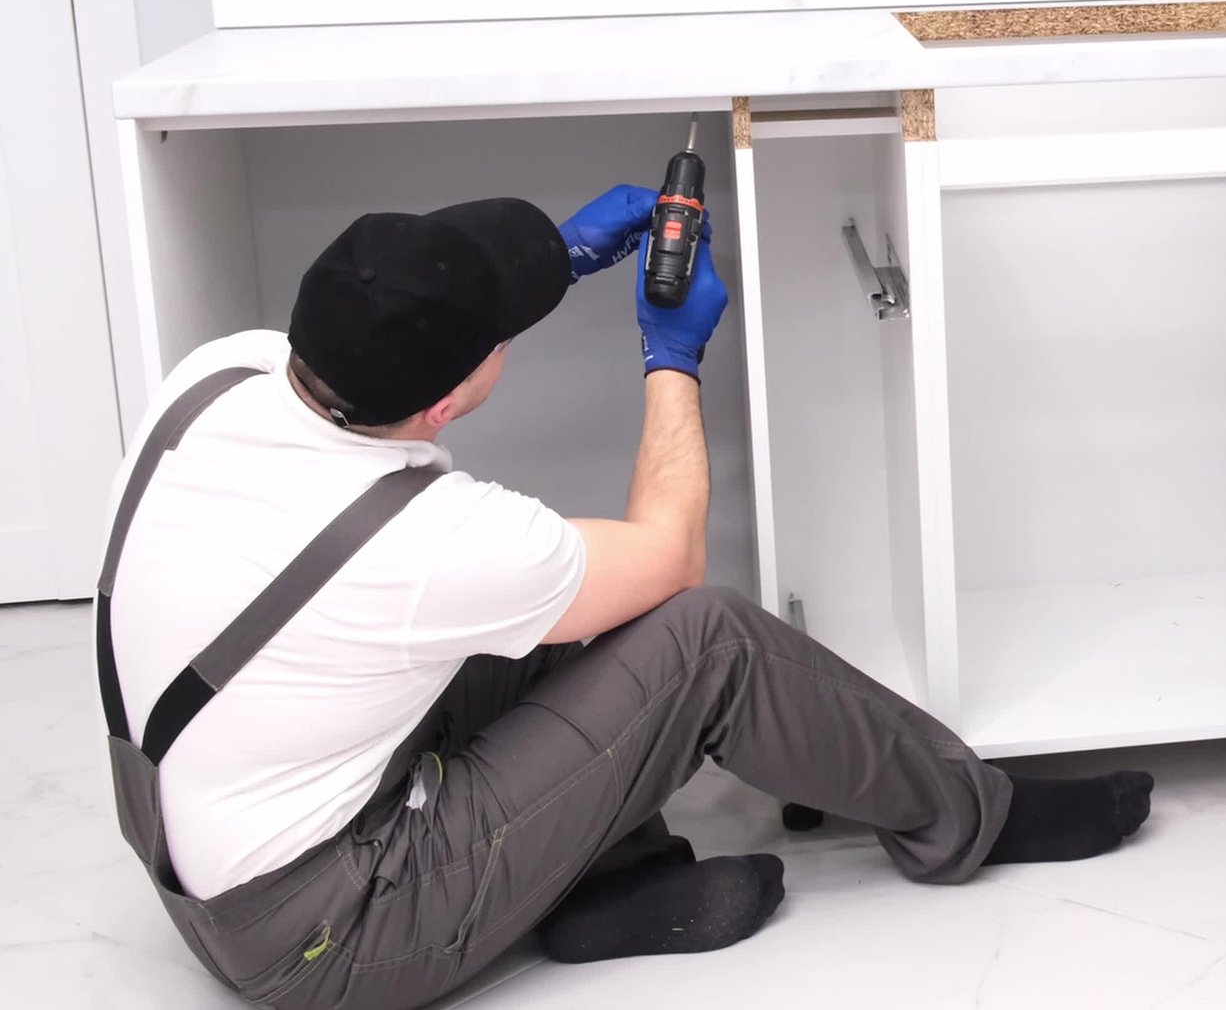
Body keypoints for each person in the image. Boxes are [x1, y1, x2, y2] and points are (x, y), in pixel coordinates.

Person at [95, 188, 1153, 1010]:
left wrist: (549, 262)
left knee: (577, 610)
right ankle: (972, 818)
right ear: (445, 401)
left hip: (196, 863)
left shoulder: (224, 376)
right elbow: (668, 558)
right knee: (703, 640)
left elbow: (410, 352)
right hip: (328, 940)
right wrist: (671, 356)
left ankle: (606, 883)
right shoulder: (428, 544)